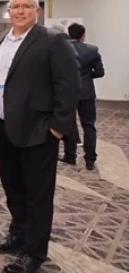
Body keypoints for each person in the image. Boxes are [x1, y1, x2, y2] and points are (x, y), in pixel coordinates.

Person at [0, 0, 79, 273]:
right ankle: (18, 233)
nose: (20, 11)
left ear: (37, 11)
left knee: (38, 195)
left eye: (27, 6)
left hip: (38, 132)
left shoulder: (52, 40)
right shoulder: (0, 39)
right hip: (3, 129)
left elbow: (69, 85)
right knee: (14, 189)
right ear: (8, 11)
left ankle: (34, 252)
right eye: (16, 7)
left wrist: (59, 128)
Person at [60, 23, 105, 170]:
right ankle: (90, 159)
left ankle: (70, 156)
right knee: (89, 125)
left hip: (67, 92)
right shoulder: (92, 50)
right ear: (83, 35)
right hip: (87, 92)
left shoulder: (62, 48)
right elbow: (99, 72)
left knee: (69, 124)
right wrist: (86, 77)